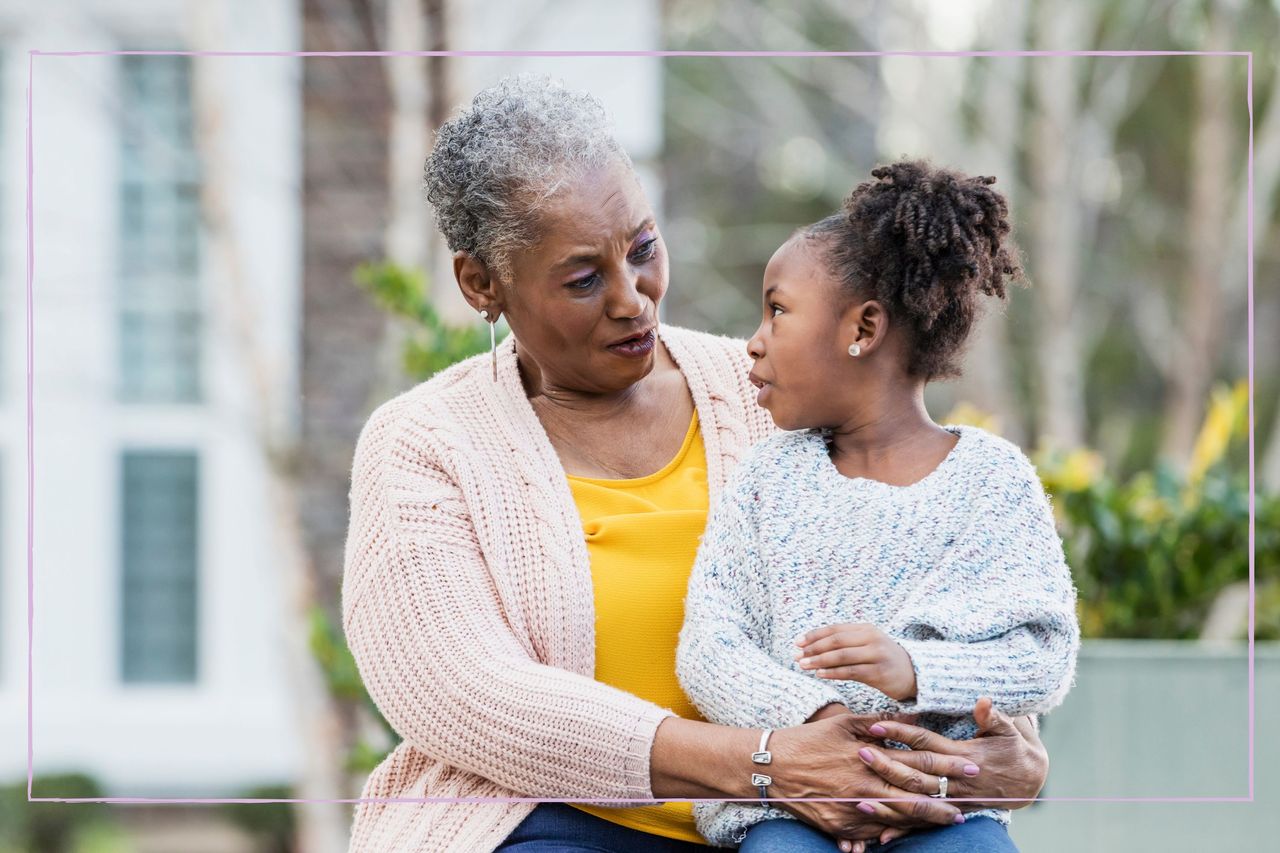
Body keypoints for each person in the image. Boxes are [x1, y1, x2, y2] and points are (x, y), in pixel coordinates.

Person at [341, 75, 1051, 853]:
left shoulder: (778, 392)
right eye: (583, 279)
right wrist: (767, 763)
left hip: (793, 828)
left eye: (643, 248)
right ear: (482, 282)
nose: (633, 299)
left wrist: (1004, 742)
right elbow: (466, 693)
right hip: (550, 823)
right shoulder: (425, 442)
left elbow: (914, 562)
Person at [675, 160, 1081, 852]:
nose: (755, 338)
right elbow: (708, 645)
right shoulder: (768, 478)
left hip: (947, 810)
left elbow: (1044, 651)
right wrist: (823, 725)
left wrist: (920, 669)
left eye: (777, 308)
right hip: (788, 815)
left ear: (862, 327)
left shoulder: (992, 480)